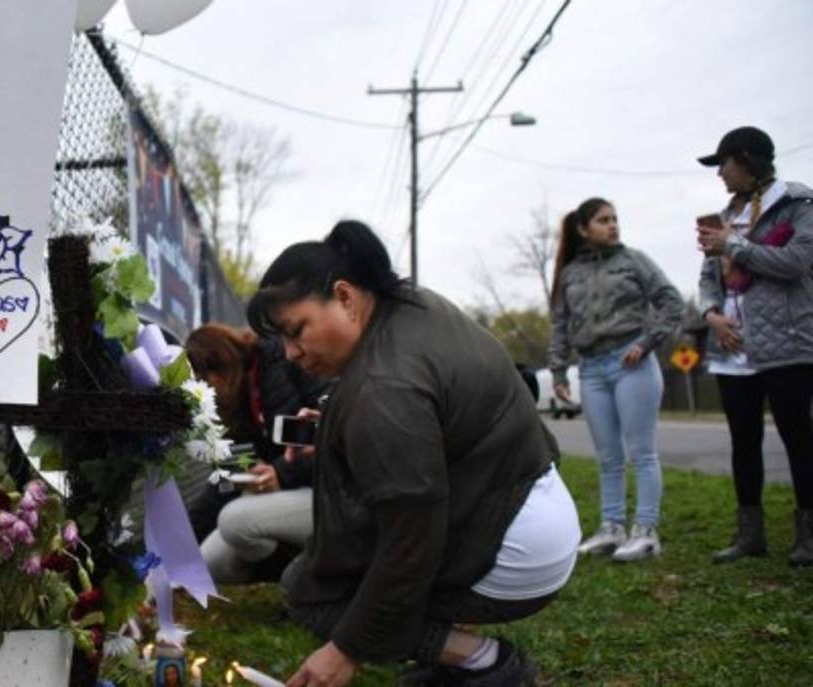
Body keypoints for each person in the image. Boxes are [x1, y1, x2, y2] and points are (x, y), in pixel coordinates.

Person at [248, 221, 580, 687]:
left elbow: (412, 540)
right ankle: (452, 656)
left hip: (512, 547)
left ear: (345, 297)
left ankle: (486, 662)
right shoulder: (409, 304)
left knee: (311, 592)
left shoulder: (383, 388)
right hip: (533, 504)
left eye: (296, 330)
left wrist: (346, 648)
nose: (291, 354)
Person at [695, 126, 813, 566]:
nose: (720, 174)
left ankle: (808, 536)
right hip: (732, 346)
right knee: (742, 442)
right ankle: (750, 535)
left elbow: (797, 263)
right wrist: (711, 315)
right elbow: (708, 279)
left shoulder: (797, 205)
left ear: (746, 160)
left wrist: (736, 245)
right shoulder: (724, 216)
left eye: (723, 164)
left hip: (787, 341)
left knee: (798, 437)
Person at [548, 198, 683, 562]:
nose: (613, 226)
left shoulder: (633, 261)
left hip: (631, 363)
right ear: (583, 229)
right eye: (604, 220)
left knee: (641, 452)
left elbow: (671, 302)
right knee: (608, 456)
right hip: (591, 369)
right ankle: (611, 529)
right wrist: (559, 370)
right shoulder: (570, 273)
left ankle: (646, 532)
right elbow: (560, 324)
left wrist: (647, 341)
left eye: (615, 219)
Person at [184, 324, 327, 584]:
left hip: (328, 491)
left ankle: (310, 577)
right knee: (210, 562)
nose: (203, 394)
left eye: (202, 382)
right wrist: (176, 550)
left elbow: (335, 441)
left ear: (219, 365)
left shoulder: (281, 363)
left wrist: (280, 474)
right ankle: (293, 570)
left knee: (235, 521)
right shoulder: (234, 406)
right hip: (290, 494)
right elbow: (226, 479)